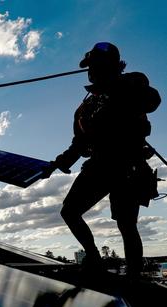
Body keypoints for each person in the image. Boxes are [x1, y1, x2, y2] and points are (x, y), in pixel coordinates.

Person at [43, 42, 161, 277]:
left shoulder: (132, 84)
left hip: (129, 166)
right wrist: (59, 163)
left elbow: (152, 100)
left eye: (97, 66)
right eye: (90, 67)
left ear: (115, 66)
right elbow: (79, 143)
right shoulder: (85, 107)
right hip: (99, 165)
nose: (92, 71)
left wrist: (116, 83)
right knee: (69, 211)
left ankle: (134, 277)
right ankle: (94, 257)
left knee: (127, 225)